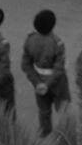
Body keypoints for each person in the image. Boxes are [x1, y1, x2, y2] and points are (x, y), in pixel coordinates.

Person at [22, 9, 70, 137]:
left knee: (44, 112)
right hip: (58, 84)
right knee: (63, 111)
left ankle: (45, 136)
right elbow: (59, 68)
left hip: (38, 81)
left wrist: (38, 83)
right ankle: (64, 139)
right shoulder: (57, 43)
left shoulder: (30, 40)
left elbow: (26, 65)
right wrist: (47, 84)